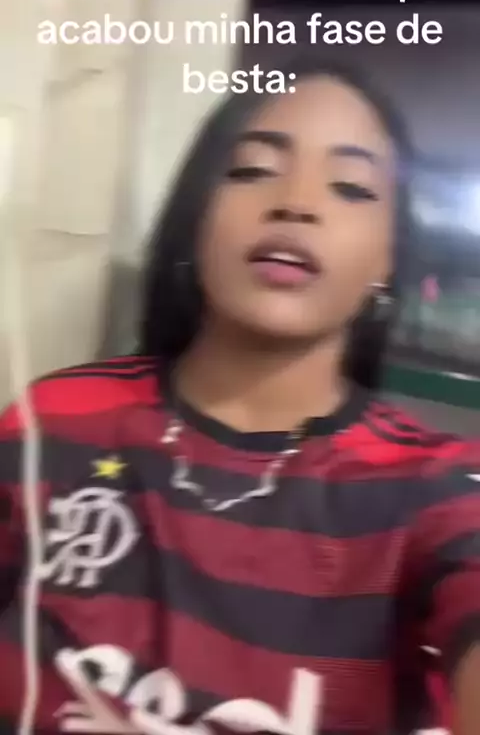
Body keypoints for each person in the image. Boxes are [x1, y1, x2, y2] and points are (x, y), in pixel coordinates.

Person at [0, 58, 479, 735]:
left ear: (388, 260)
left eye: (350, 187)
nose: (297, 203)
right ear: (197, 216)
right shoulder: (54, 424)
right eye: (253, 170)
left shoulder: (434, 491)